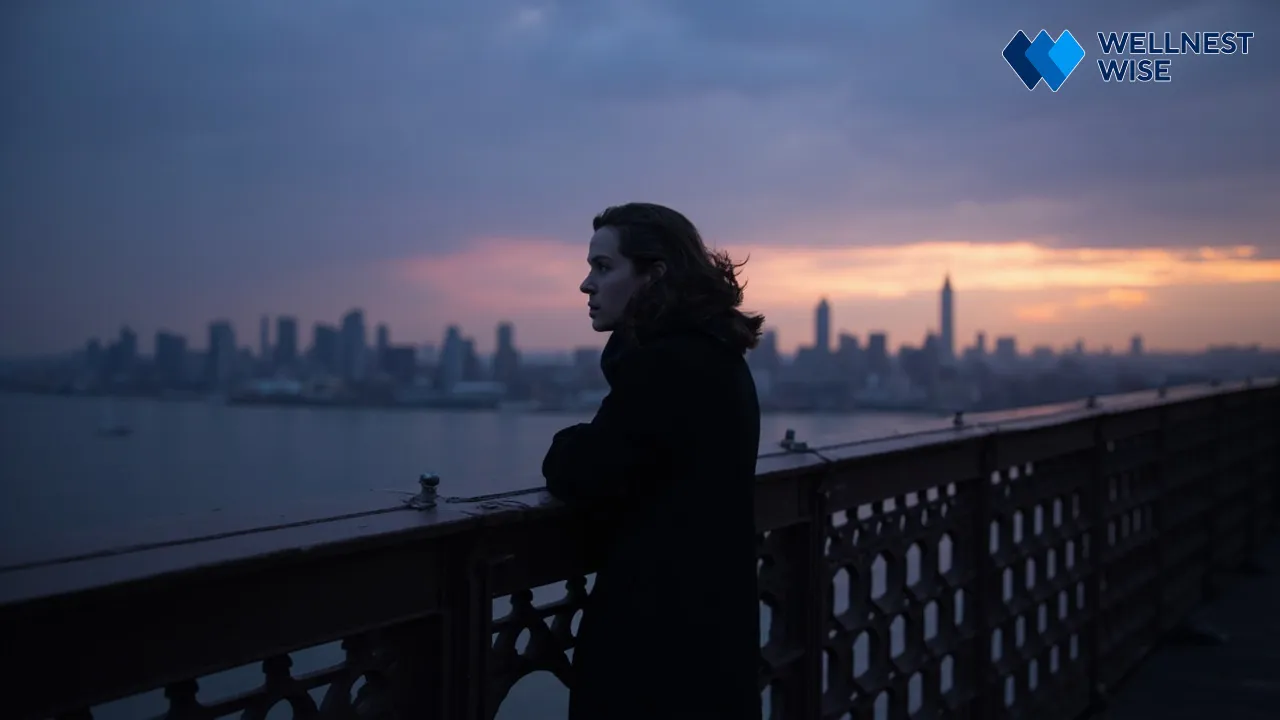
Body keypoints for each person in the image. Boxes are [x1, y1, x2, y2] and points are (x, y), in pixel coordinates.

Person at [542, 203, 765, 720]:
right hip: (710, 633)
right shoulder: (715, 354)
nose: (585, 285)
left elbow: (583, 470)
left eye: (603, 267)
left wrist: (568, 441)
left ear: (653, 275)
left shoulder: (666, 364)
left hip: (659, 643)